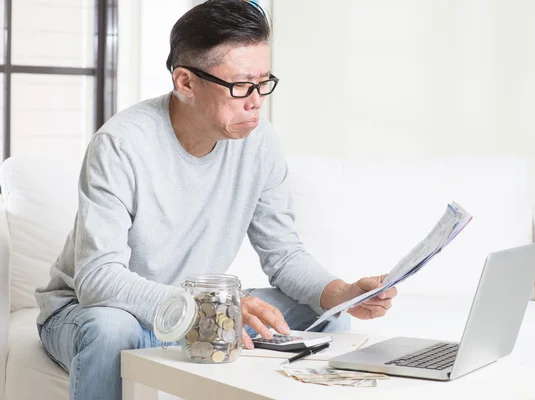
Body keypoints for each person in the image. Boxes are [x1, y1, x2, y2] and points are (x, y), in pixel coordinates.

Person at [34, 1, 397, 399]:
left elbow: (285, 255)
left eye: (264, 82)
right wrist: (214, 308)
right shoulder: (120, 145)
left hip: (202, 310)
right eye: (241, 85)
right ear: (185, 83)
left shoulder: (259, 141)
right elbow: (97, 279)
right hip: (99, 311)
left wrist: (342, 292)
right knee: (111, 330)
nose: (256, 100)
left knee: (326, 316)